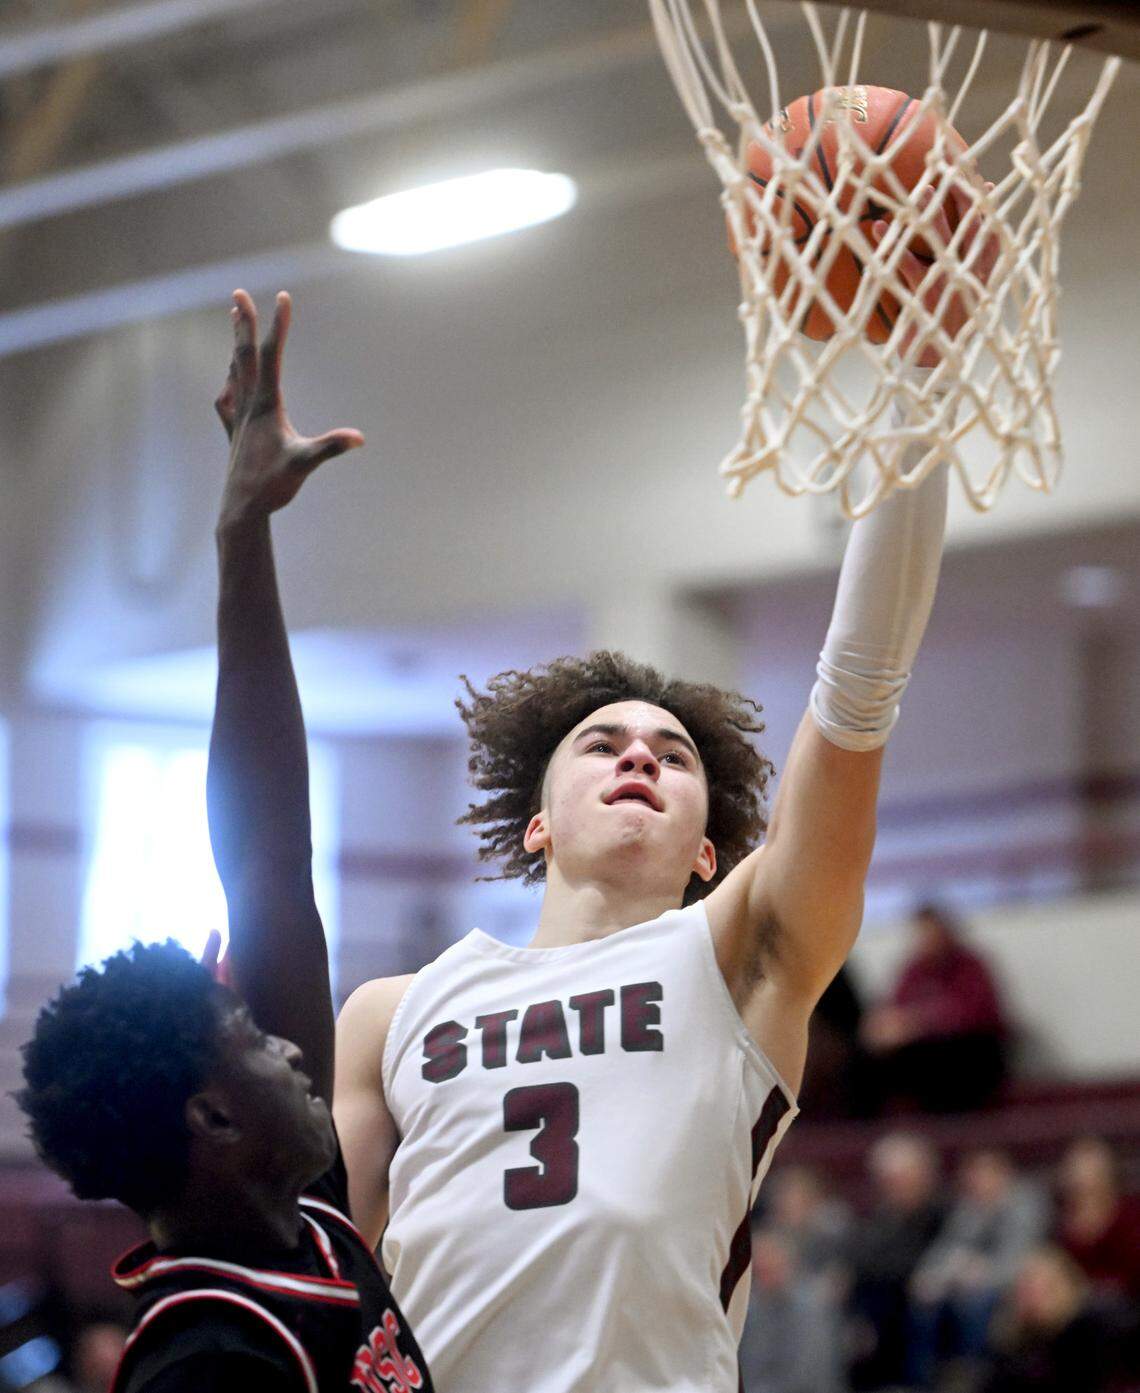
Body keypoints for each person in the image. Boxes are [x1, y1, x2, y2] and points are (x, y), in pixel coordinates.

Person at [203, 187, 996, 1389]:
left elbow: (858, 692)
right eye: (604, 743)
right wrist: (241, 540)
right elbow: (327, 1278)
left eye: (675, 755)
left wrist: (917, 379)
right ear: (536, 820)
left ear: (704, 853)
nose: (641, 755)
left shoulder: (741, 960)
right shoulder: (391, 1011)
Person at [17, 292, 432, 1393]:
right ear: (212, 1113)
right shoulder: (208, 1361)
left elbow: (267, 862)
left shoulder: (303, 1223)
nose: (295, 1045)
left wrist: (242, 533)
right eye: (251, 1032)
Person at [909, 1149, 1048, 1387]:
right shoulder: (969, 1209)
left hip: (1014, 1282)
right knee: (925, 1302)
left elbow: (1021, 1257)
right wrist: (929, 1276)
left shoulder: (1025, 1203)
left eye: (981, 1174)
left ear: (1003, 1174)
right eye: (972, 1176)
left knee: (974, 1301)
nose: (975, 1182)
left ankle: (978, 1375)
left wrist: (984, 1274)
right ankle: (921, 1380)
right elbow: (946, 1249)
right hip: (966, 1283)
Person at [861, 902, 1009, 1113]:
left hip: (969, 1051)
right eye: (922, 935)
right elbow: (894, 1008)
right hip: (923, 1052)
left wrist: (919, 1021)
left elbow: (974, 1014)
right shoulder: (913, 969)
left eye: (932, 933)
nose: (928, 941)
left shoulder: (971, 966)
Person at [846, 1133, 947, 1392]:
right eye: (889, 1182)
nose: (895, 1188)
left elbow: (920, 1261)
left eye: (902, 1179)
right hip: (878, 1306)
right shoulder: (881, 1219)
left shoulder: (941, 1213)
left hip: (921, 1306)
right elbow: (862, 1261)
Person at [737, 1228, 846, 1393]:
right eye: (758, 1272)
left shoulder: (811, 1311)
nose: (761, 1279)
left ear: (788, 1266)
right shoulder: (751, 1309)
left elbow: (806, 1375)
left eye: (769, 1270)